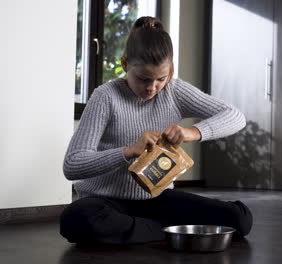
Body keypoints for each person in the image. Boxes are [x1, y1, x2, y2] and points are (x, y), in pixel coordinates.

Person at [60, 16, 252, 245]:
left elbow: (235, 116)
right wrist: (129, 151)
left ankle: (147, 231)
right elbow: (72, 165)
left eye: (161, 78)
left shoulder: (175, 91)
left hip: (156, 200)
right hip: (106, 202)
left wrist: (192, 132)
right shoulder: (105, 96)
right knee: (77, 219)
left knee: (239, 219)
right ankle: (169, 230)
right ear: (124, 64)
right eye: (143, 79)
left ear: (170, 70)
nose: (152, 88)